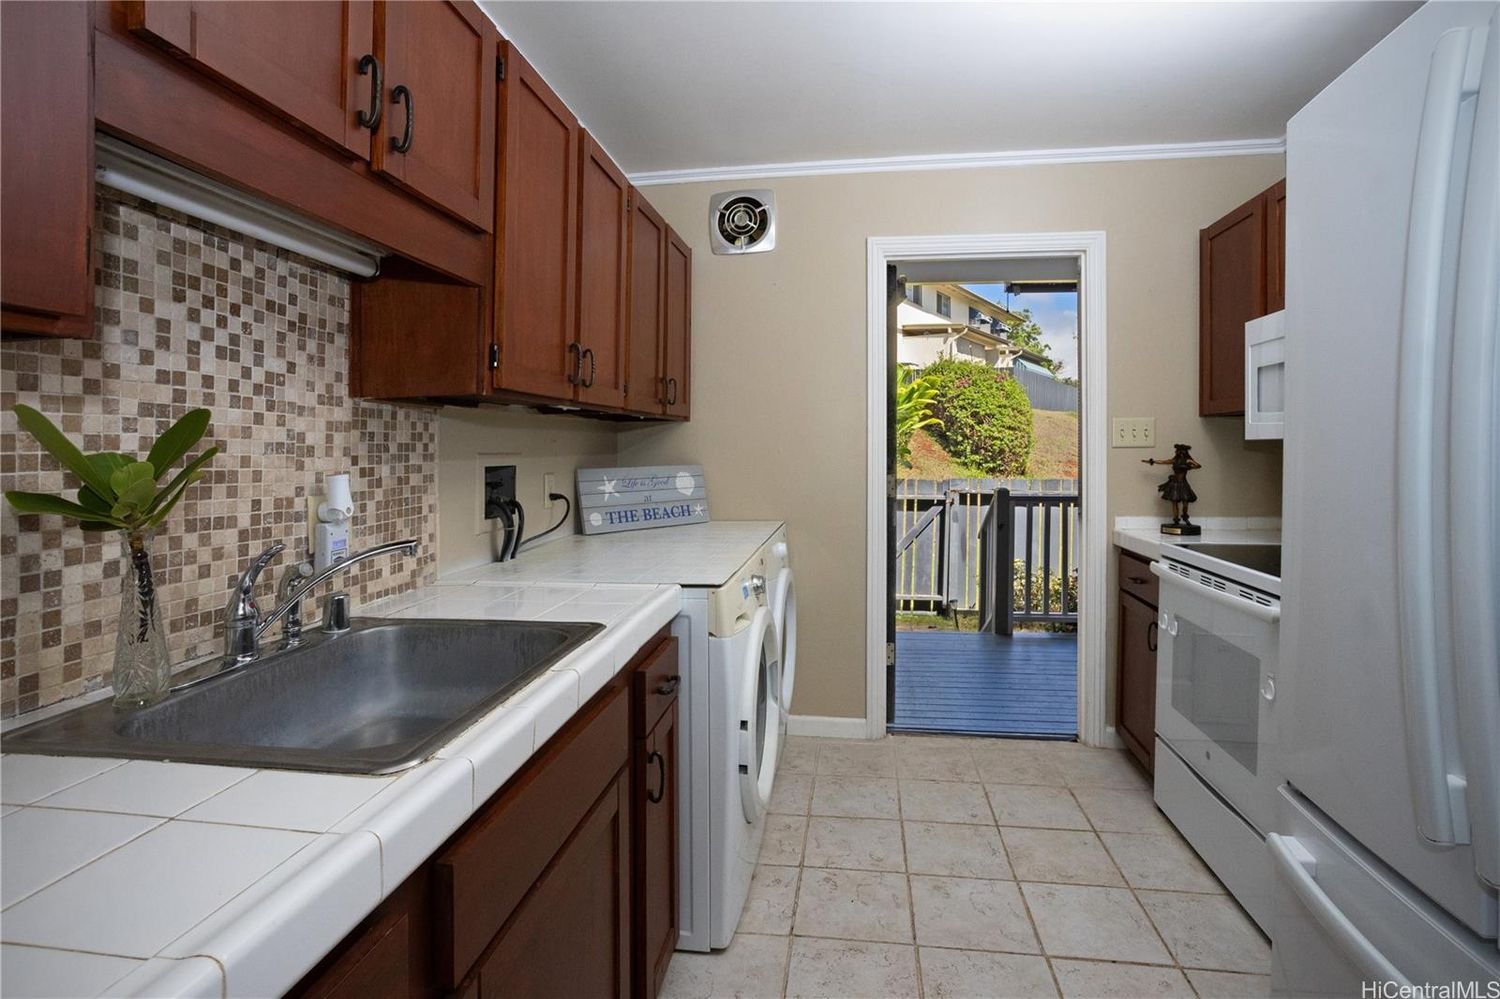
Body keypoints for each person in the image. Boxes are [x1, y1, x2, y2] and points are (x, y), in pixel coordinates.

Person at [1143, 444, 1201, 527]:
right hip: (1175, 483)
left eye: (1180, 451)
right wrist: (1153, 461)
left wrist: (1189, 467)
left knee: (1185, 502)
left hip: (1183, 483)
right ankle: (1176, 519)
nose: (1178, 453)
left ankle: (1185, 516)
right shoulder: (1175, 460)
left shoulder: (1188, 460)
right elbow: (1164, 462)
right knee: (1174, 502)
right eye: (1177, 451)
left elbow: (1198, 465)